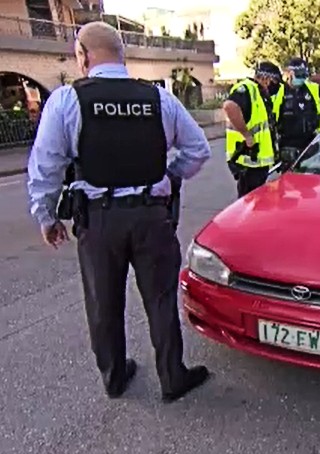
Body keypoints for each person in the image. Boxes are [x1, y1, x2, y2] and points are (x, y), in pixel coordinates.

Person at [26, 21, 211, 403]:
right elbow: (198, 151)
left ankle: (114, 377)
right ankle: (172, 377)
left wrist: (47, 217)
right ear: (123, 55)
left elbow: (45, 167)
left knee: (103, 301)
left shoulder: (65, 100)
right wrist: (168, 178)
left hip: (98, 220)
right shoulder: (158, 98)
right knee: (160, 299)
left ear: (83, 56)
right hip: (151, 216)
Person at [222, 62, 280, 197]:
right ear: (266, 78)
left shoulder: (260, 93)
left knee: (257, 202)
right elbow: (229, 106)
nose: (275, 86)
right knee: (248, 203)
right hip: (248, 161)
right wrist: (246, 135)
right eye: (274, 81)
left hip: (257, 163)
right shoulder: (247, 89)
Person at [273, 57, 320, 165]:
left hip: (312, 143)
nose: (302, 79)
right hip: (288, 146)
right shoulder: (279, 92)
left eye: (304, 75)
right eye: (299, 75)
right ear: (290, 73)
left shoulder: (314, 89)